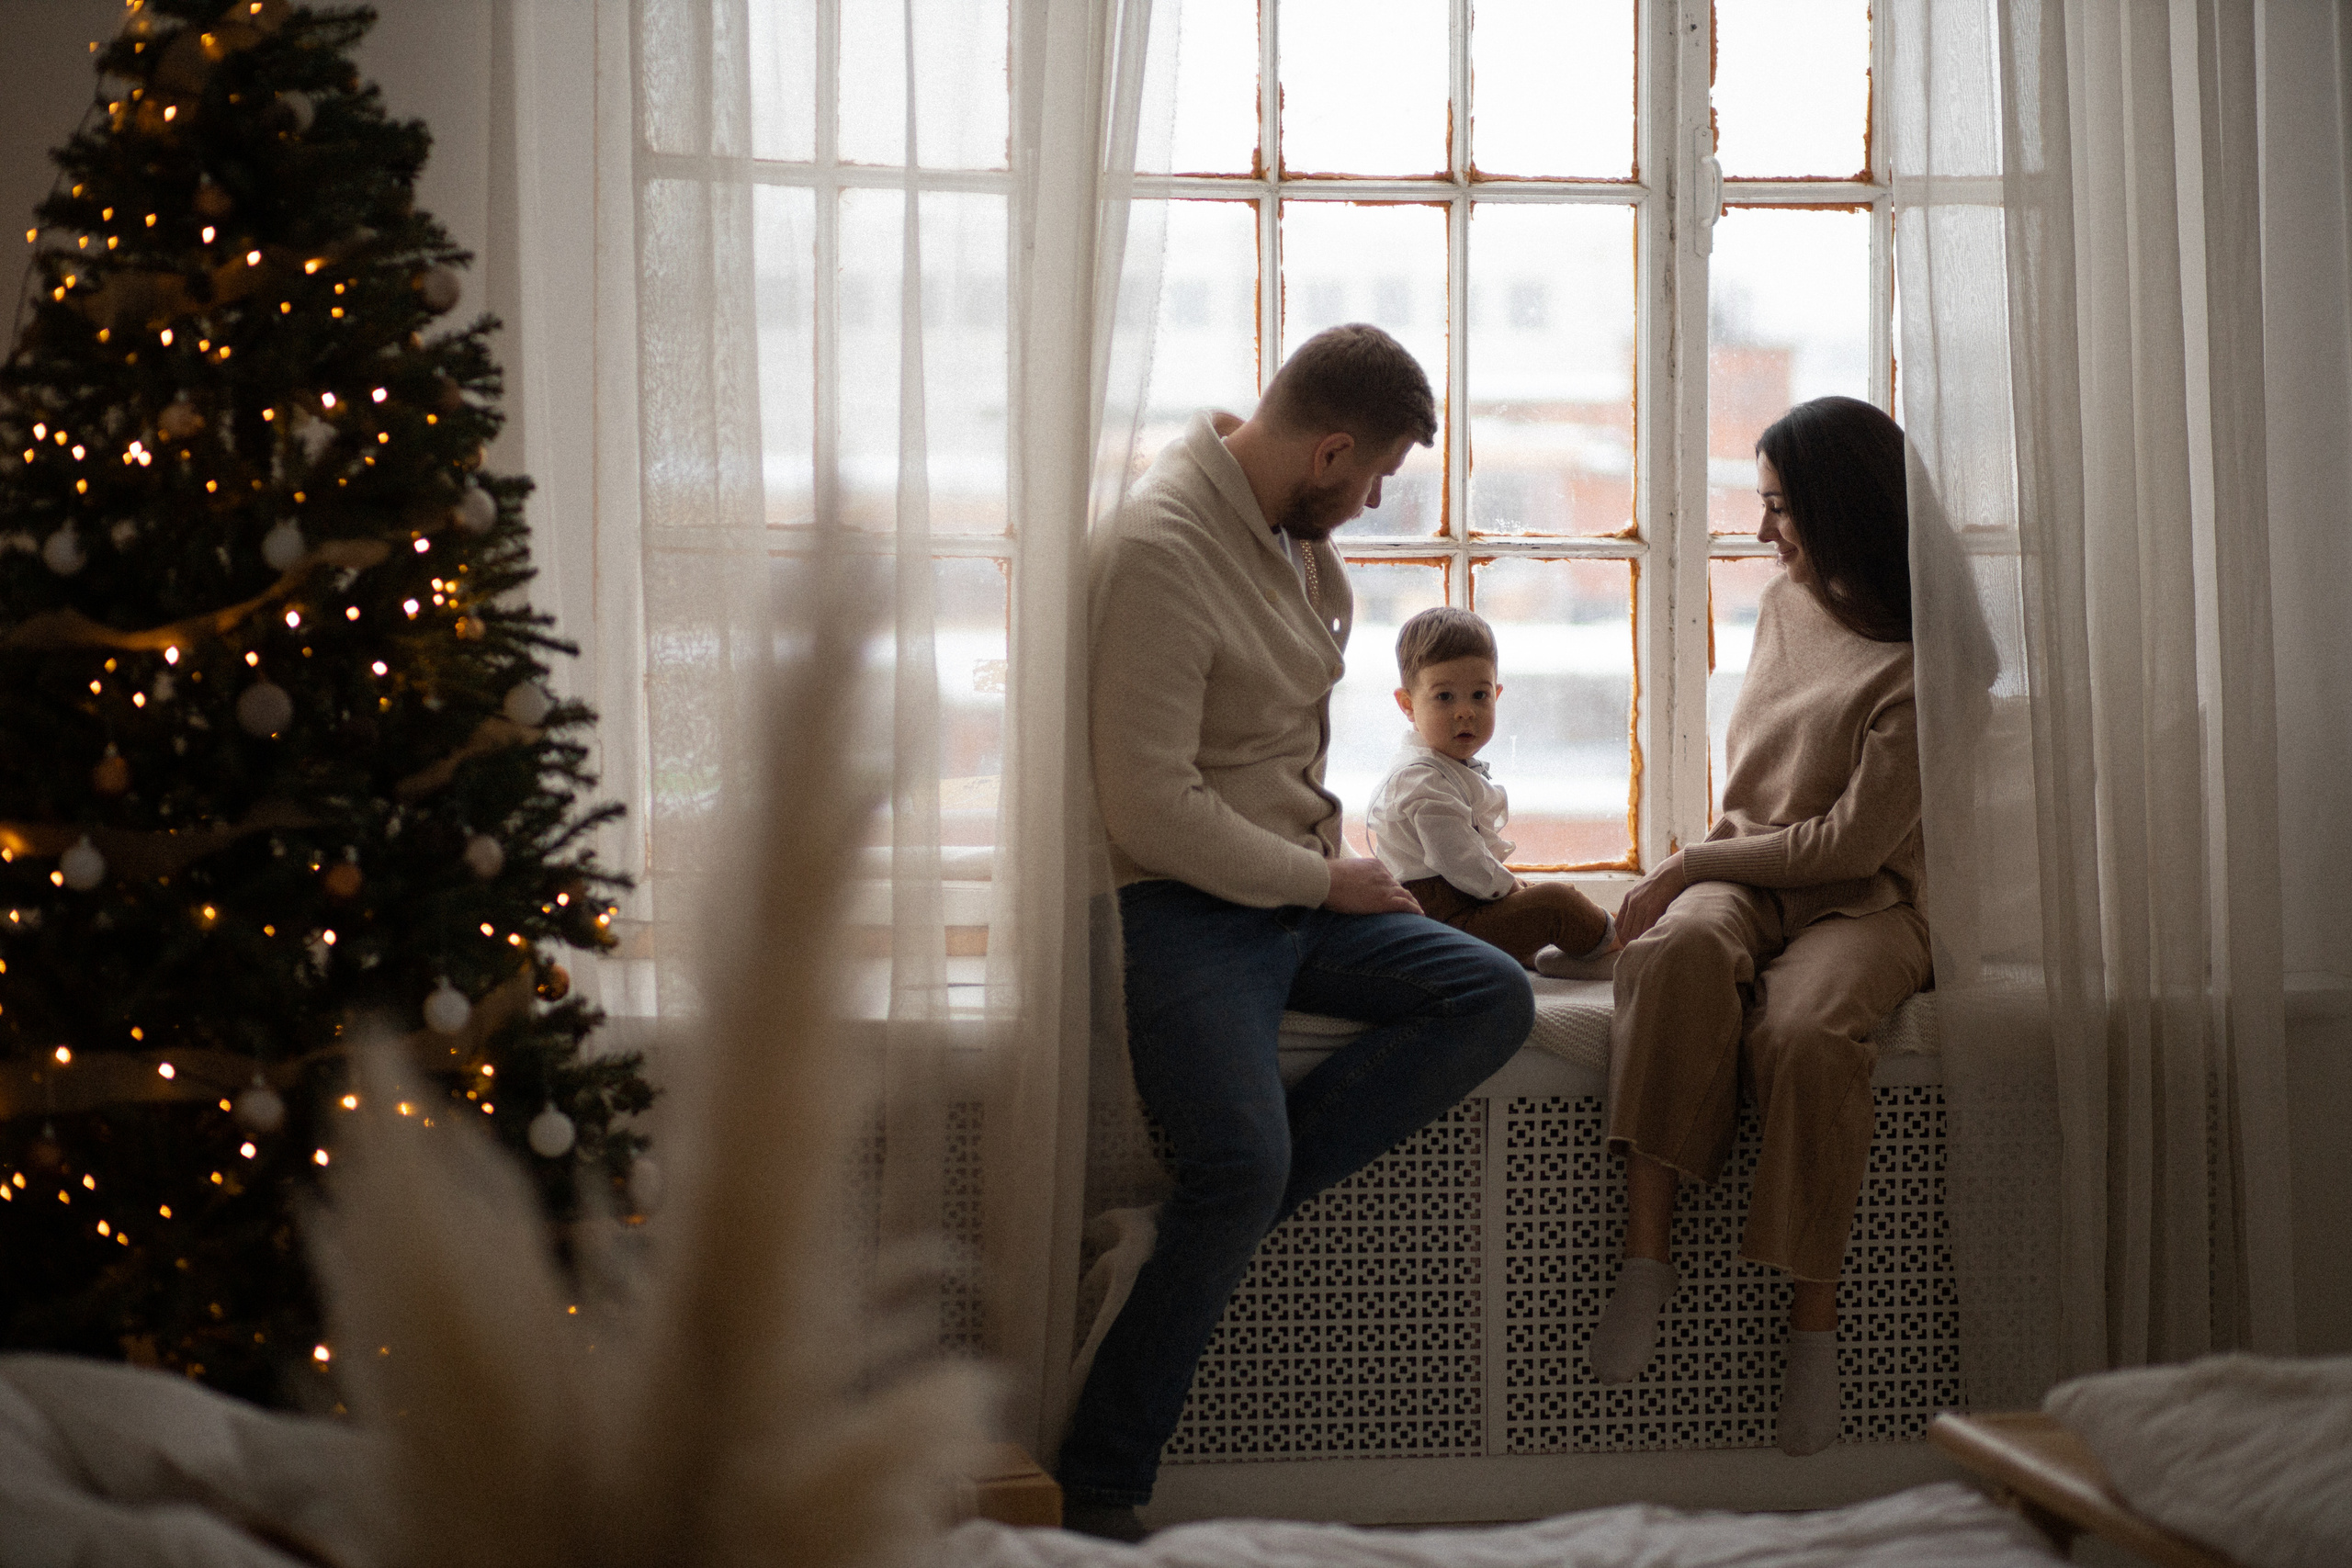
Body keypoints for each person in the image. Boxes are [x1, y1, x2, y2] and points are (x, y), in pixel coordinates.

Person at [1064, 325, 1533, 1538]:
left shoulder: (1286, 537)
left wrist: (1326, 875)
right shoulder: (1162, 550)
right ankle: (1101, 1488)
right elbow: (1149, 806)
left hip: (1289, 886)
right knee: (1242, 1160)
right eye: (1374, 474)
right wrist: (1324, 884)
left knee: (1490, 996)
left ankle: (1184, 1236)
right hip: (1176, 902)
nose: (1377, 500)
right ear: (1328, 446)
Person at [1586, 395, 1930, 1459]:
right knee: (1676, 950)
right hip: (1757, 864)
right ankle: (1647, 1259)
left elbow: (1847, 848)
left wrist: (1690, 858)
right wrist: (1705, 875)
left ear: (1841, 508)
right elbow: (1768, 804)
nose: (1764, 530)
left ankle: (1811, 1333)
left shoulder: (1929, 661)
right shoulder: (1788, 602)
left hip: (1870, 895)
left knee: (1807, 1034)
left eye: (1781, 507)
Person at [1366, 606, 1614, 971]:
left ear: (1496, 694)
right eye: (1445, 697)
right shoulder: (1420, 780)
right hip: (1439, 926)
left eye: (1479, 696)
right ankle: (1615, 952)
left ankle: (1566, 952)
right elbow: (1462, 861)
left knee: (1532, 896)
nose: (1465, 711)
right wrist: (1512, 889)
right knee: (1557, 902)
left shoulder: (1443, 768)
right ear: (1407, 704)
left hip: (1458, 912)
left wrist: (1512, 889)